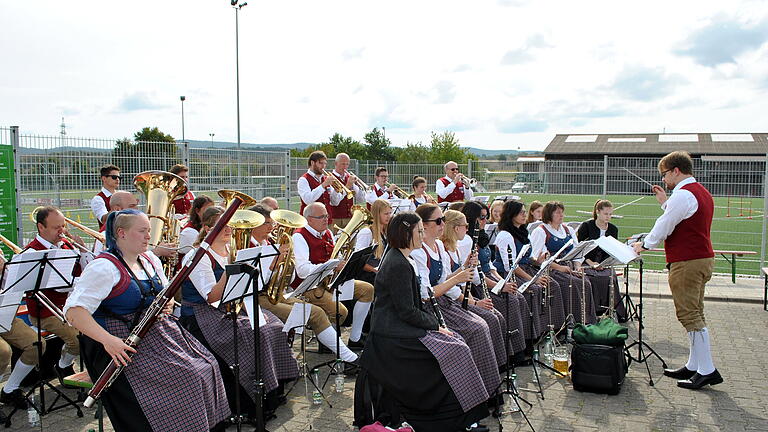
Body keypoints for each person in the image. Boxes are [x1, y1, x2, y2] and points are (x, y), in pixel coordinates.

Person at [64, 209, 230, 432]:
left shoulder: (149, 259)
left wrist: (166, 304)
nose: (148, 237)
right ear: (121, 233)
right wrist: (108, 341)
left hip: (154, 334)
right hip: (118, 345)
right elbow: (74, 312)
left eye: (148, 231)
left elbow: (159, 295)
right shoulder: (104, 267)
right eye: (142, 231)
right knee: (187, 377)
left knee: (207, 364)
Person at [356, 211, 491, 432]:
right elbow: (407, 311)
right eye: (418, 231)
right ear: (405, 234)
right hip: (392, 334)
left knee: (457, 345)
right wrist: (437, 326)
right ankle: (454, 417)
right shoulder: (398, 262)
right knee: (456, 349)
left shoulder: (403, 257)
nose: (422, 235)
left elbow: (412, 306)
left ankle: (462, 416)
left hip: (401, 326)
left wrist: (437, 326)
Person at [180, 206, 298, 419]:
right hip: (202, 314)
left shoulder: (232, 249)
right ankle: (249, 404)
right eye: (220, 226)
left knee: (274, 327)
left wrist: (271, 265)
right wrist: (232, 268)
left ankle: (271, 392)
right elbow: (210, 296)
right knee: (251, 336)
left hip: (232, 306)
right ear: (206, 228)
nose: (228, 230)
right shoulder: (196, 256)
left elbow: (253, 285)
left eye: (229, 226)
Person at [632, 151, 722, 389]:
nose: (663, 180)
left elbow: (665, 225)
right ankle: (695, 365)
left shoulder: (683, 195)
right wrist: (665, 203)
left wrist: (645, 244)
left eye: (664, 174)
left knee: (689, 315)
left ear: (676, 171)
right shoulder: (699, 192)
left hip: (687, 261)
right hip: (702, 258)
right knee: (695, 313)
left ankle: (707, 369)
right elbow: (679, 215)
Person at [248, 204, 360, 367]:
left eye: (271, 223)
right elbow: (256, 283)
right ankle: (350, 358)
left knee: (319, 313)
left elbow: (289, 277)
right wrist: (273, 265)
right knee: (317, 314)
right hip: (258, 298)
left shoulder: (270, 242)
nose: (271, 227)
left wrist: (288, 263)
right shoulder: (250, 246)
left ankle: (345, 355)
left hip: (278, 293)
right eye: (267, 223)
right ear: (254, 224)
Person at [411, 204, 501, 399]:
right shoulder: (419, 252)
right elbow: (426, 293)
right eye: (438, 221)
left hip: (441, 302)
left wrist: (464, 267)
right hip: (428, 308)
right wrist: (458, 280)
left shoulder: (439, 246)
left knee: (483, 325)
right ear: (424, 226)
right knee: (478, 328)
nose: (442, 224)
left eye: (443, 219)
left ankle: (488, 386)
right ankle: (477, 392)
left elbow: (445, 279)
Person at [292, 203, 374, 351]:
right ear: (309, 219)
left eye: (326, 216)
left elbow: (337, 257)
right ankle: (328, 340)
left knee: (367, 290)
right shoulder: (299, 236)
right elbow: (302, 271)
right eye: (321, 217)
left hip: (331, 280)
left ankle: (355, 338)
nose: (326, 219)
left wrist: (345, 260)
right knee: (340, 311)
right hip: (311, 286)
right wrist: (331, 266)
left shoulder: (327, 233)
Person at [21, 206, 85, 386]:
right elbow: (59, 288)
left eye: (63, 226)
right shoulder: (33, 253)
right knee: (78, 338)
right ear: (41, 227)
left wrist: (84, 253)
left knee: (92, 332)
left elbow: (83, 272)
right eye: (57, 227)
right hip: (44, 313)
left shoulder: (66, 245)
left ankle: (67, 363)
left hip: (67, 307)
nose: (62, 231)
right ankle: (63, 366)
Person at [461, 202, 531, 351]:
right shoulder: (467, 241)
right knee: (511, 301)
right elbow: (474, 275)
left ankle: (522, 344)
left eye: (486, 217)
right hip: (478, 285)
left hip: (489, 278)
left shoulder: (482, 236)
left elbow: (490, 267)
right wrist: (500, 287)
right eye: (482, 218)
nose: (485, 221)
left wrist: (502, 282)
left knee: (518, 297)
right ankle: (509, 350)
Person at [442, 209, 508, 366]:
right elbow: (449, 285)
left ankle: (499, 363)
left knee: (495, 316)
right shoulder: (443, 248)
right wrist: (475, 304)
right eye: (466, 225)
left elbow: (461, 280)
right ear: (456, 228)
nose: (468, 228)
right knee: (486, 322)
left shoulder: (455, 247)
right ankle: (485, 367)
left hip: (458, 295)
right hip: (449, 299)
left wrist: (467, 266)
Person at [493, 200, 566, 338]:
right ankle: (530, 334)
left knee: (553, 285)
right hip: (509, 274)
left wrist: (538, 261)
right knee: (534, 290)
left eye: (525, 212)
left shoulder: (522, 231)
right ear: (512, 214)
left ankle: (550, 328)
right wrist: (534, 280)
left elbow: (527, 257)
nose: (524, 215)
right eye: (521, 212)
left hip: (526, 268)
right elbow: (511, 266)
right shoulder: (505, 235)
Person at [529, 201, 597, 325]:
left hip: (569, 266)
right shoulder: (541, 231)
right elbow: (538, 257)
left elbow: (577, 251)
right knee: (572, 283)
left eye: (562, 213)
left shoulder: (568, 230)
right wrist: (561, 268)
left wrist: (577, 266)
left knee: (585, 282)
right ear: (549, 214)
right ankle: (570, 321)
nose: (561, 215)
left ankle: (585, 320)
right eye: (558, 213)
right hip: (552, 268)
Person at [576, 199, 628, 321]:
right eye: (606, 214)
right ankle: (593, 311)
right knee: (592, 279)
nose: (608, 217)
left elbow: (612, 250)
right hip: (586, 261)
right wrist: (590, 262)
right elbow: (579, 248)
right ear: (598, 212)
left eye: (610, 214)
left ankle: (612, 310)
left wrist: (605, 263)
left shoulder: (613, 229)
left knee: (610, 277)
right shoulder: (587, 226)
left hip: (605, 263)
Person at [297, 151, 343, 227]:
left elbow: (335, 202)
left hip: (327, 222)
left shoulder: (325, 179)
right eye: (320, 163)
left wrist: (335, 190)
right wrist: (323, 185)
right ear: (312, 163)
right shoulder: (303, 179)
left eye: (325, 164)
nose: (323, 166)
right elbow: (308, 200)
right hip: (310, 223)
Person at [354, 199, 392, 285]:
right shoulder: (367, 232)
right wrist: (376, 270)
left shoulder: (386, 231)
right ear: (377, 215)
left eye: (390, 213)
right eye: (386, 214)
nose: (389, 216)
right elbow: (358, 261)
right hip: (369, 277)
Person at [330, 153, 366, 230]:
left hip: (350, 218)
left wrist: (358, 186)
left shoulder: (349, 177)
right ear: (336, 164)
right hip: (335, 219)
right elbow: (334, 201)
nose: (345, 167)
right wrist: (347, 186)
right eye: (343, 164)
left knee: (351, 242)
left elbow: (361, 199)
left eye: (347, 164)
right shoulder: (330, 178)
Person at [91, 164, 120, 229]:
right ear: (104, 178)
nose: (117, 179)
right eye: (114, 177)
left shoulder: (121, 194)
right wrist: (117, 209)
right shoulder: (98, 199)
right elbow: (104, 220)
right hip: (108, 236)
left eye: (119, 177)